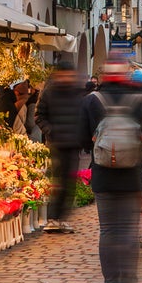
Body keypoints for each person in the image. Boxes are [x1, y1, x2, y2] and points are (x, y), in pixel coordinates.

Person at [81, 57, 142, 283]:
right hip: (132, 175)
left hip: (103, 175)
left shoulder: (91, 100)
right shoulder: (137, 100)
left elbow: (82, 141)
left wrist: (98, 143)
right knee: (128, 231)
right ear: (126, 75)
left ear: (102, 75)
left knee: (108, 231)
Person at [36, 60, 88, 231]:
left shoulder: (77, 93)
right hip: (57, 144)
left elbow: (82, 116)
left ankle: (62, 217)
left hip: (73, 144)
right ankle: (53, 217)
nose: (67, 77)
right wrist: (50, 131)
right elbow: (39, 115)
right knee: (58, 182)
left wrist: (82, 136)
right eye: (64, 74)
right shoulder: (49, 92)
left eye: (69, 74)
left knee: (69, 183)